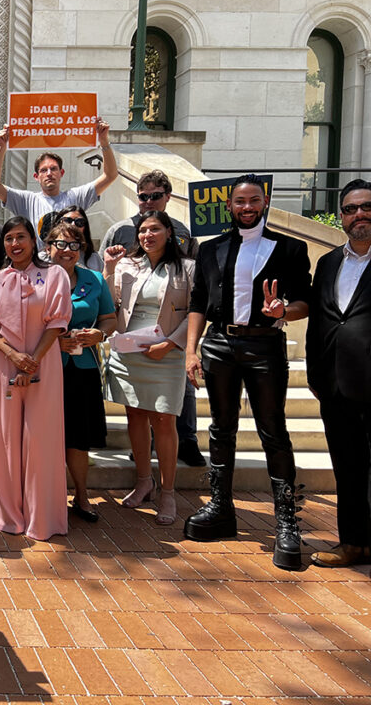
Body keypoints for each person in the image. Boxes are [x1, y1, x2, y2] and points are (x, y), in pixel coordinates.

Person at [183, 174, 311, 570]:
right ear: (230, 205)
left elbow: (304, 302)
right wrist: (191, 350)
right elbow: (198, 302)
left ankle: (286, 521)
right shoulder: (211, 249)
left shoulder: (290, 248)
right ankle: (222, 509)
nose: (247, 207)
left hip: (264, 346)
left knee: (273, 429)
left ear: (265, 201)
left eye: (254, 200)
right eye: (240, 201)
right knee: (221, 428)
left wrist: (282, 313)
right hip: (220, 344)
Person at [99, 169, 203, 468]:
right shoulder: (119, 230)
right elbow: (109, 285)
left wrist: (176, 343)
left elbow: (194, 297)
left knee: (178, 398)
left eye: (155, 196)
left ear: (168, 197)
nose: (148, 202)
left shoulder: (184, 231)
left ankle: (187, 440)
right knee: (137, 410)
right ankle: (143, 452)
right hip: (132, 339)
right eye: (143, 196)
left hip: (170, 337)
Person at [0, 217, 71, 540]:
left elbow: (57, 323)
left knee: (40, 441)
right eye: (9, 239)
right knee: (4, 441)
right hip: (4, 366)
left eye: (21, 237)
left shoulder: (54, 274)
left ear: (33, 240)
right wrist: (15, 357)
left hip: (44, 366)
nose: (15, 244)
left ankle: (42, 517)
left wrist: (33, 361)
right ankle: (7, 513)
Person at [103, 211, 195, 527]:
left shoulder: (188, 268)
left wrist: (170, 345)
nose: (147, 235)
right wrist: (108, 269)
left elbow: (197, 313)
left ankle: (167, 492)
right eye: (142, 230)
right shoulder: (128, 264)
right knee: (135, 416)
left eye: (154, 229)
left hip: (166, 352)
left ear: (169, 232)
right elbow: (110, 303)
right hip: (130, 350)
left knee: (165, 420)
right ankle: (144, 481)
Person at [307, 179, 371, 568]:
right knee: (347, 468)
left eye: (366, 207)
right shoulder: (328, 262)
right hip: (336, 385)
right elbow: (320, 322)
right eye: (350, 209)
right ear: (342, 216)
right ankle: (352, 543)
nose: (359, 214)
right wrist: (316, 376)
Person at [45, 221, 115, 523]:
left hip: (82, 369)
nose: (67, 251)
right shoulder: (37, 279)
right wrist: (50, 343)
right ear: (48, 247)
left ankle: (82, 495)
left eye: (74, 245)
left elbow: (109, 318)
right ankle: (47, 494)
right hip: (47, 368)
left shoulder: (95, 279)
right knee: (46, 434)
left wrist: (99, 334)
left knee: (78, 437)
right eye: (60, 244)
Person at [0, 119, 117, 248]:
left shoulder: (75, 197)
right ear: (36, 177)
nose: (49, 173)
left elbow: (110, 176)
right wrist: (2, 148)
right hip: (39, 266)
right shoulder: (27, 200)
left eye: (53, 169)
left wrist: (104, 141)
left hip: (69, 264)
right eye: (43, 170)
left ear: (62, 173)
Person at [44, 206, 102, 272]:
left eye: (79, 222)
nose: (73, 225)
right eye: (67, 220)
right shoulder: (40, 260)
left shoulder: (94, 259)